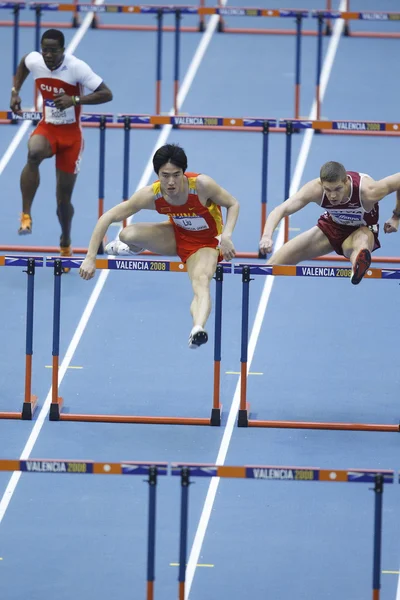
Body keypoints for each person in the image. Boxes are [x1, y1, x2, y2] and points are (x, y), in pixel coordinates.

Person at [79, 144, 239, 348]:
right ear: (157, 174)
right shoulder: (151, 195)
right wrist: (90, 257)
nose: (171, 182)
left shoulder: (201, 185)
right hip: (175, 235)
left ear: (184, 173)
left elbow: (233, 203)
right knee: (127, 233)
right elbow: (108, 216)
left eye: (176, 175)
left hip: (205, 244)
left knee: (201, 282)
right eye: (165, 175)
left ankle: (197, 328)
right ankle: (131, 248)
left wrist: (226, 235)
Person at [10, 28, 113, 270]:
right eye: (44, 49)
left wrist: (75, 100)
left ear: (63, 51)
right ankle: (26, 215)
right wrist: (15, 92)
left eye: (53, 51)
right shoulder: (36, 60)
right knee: (33, 152)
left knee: (63, 200)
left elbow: (106, 94)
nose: (47, 55)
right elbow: (24, 62)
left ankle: (65, 241)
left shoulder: (77, 68)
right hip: (48, 129)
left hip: (71, 138)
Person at [259, 161, 400, 284]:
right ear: (322, 184)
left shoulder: (368, 191)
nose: (332, 195)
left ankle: (358, 264)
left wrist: (396, 216)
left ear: (346, 182)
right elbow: (280, 210)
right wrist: (266, 236)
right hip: (331, 227)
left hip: (363, 229)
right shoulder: (315, 189)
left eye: (338, 189)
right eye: (328, 190)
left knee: (361, 242)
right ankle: (357, 261)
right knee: (271, 266)